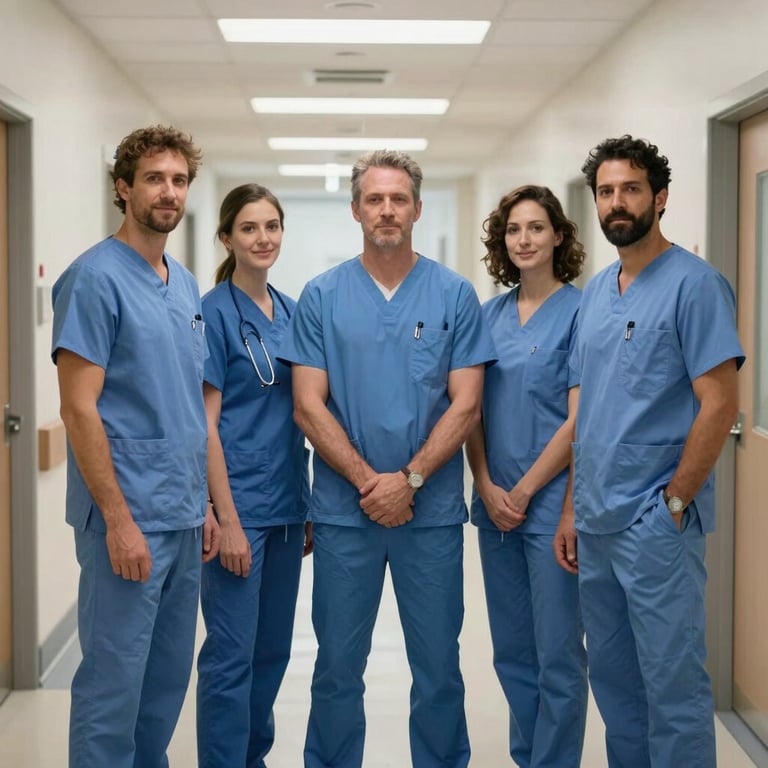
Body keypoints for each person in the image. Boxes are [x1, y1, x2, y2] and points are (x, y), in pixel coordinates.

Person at [278, 149, 496, 768]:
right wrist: (371, 483)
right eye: (374, 199)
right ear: (355, 210)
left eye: (399, 199)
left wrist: (411, 480)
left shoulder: (454, 295)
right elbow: (307, 405)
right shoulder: (321, 297)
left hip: (429, 518)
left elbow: (467, 405)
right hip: (348, 517)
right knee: (337, 669)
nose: (387, 210)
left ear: (418, 208)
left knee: (438, 669)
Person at [554, 135, 744, 767]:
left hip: (655, 524)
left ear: (659, 198)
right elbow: (589, 415)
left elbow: (719, 403)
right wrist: (574, 508)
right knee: (614, 685)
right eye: (605, 191)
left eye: (630, 189)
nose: (616, 202)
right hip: (599, 520)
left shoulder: (695, 285)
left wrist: (675, 500)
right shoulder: (595, 294)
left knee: (673, 687)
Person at [51, 125, 219, 768]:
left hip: (179, 512)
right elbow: (77, 407)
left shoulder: (183, 283)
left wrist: (201, 501)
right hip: (127, 520)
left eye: (178, 180)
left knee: (165, 683)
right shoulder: (94, 279)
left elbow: (182, 405)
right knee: (114, 685)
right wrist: (119, 521)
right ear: (123, 188)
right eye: (153, 178)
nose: (168, 192)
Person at [466, 185, 588, 767]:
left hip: (547, 506)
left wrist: (524, 490)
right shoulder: (488, 316)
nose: (525, 240)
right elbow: (468, 410)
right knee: (512, 651)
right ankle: (528, 756)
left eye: (537, 228)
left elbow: (577, 420)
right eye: (515, 230)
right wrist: (486, 484)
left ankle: (554, 761)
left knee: (559, 653)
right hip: (495, 507)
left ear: (559, 235)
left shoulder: (583, 312)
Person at [196, 183, 311, 767]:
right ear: (226, 238)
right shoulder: (213, 313)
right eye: (248, 228)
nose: (262, 238)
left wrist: (306, 505)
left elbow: (304, 410)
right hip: (238, 507)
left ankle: (252, 758)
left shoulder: (290, 311)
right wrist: (229, 521)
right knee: (231, 655)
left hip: (288, 507)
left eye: (271, 226)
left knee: (271, 654)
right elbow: (207, 427)